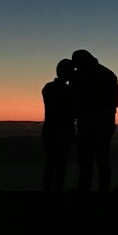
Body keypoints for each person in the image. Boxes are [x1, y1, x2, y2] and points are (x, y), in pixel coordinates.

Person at [71, 48, 118, 194]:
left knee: (86, 162)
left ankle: (84, 192)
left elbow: (76, 101)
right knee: (103, 160)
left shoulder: (81, 76)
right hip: (105, 124)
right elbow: (113, 103)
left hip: (88, 125)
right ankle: (103, 191)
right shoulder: (108, 74)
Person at [41, 58, 76, 195]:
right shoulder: (68, 91)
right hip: (63, 131)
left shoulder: (48, 88)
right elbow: (71, 112)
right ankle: (57, 192)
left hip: (49, 130)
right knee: (60, 165)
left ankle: (48, 192)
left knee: (50, 164)